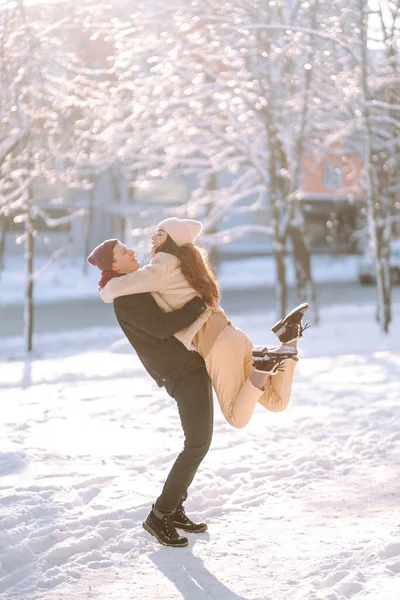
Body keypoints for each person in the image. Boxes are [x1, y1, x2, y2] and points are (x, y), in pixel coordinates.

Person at [98, 218, 310, 430]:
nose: (152, 238)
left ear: (171, 241)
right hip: (233, 336)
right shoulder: (187, 261)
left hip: (215, 343)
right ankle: (289, 337)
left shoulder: (162, 265)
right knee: (276, 402)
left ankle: (264, 365)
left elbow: (114, 290)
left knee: (237, 418)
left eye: (160, 233)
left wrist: (104, 287)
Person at [87, 240, 214, 549]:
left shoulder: (133, 285)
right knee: (197, 443)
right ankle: (159, 516)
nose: (131, 251)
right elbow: (160, 327)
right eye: (123, 252)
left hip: (187, 364)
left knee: (199, 442)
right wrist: (198, 304)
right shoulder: (125, 296)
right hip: (179, 369)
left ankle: (174, 508)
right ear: (114, 266)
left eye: (127, 247)